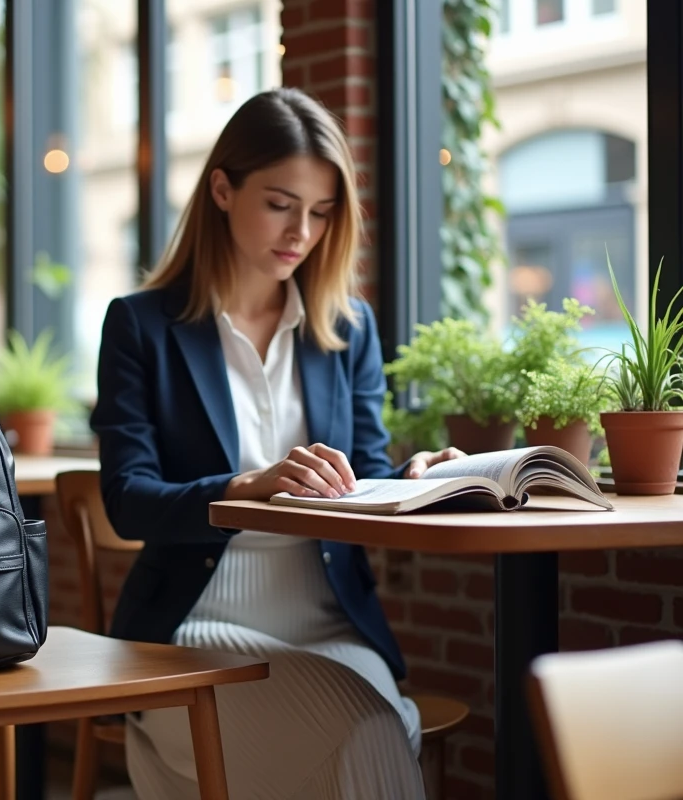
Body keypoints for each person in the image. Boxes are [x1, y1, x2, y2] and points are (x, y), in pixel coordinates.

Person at [89, 87, 465, 799]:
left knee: (365, 735)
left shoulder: (346, 328)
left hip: (334, 628)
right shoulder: (141, 326)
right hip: (194, 630)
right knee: (376, 737)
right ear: (223, 190)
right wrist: (240, 488)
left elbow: (363, 475)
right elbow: (126, 502)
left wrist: (417, 476)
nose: (302, 231)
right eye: (281, 203)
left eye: (322, 213)